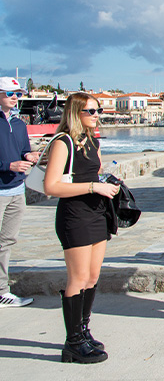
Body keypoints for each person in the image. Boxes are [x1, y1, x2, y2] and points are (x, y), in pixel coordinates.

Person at [44, 93, 120, 363]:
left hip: (96, 212)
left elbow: (92, 174)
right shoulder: (62, 142)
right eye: (90, 111)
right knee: (77, 277)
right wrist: (92, 187)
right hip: (74, 215)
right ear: (76, 113)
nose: (97, 114)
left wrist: (106, 183)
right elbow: (51, 186)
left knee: (92, 276)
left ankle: (83, 330)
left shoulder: (92, 141)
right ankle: (72, 342)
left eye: (98, 110)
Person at [0, 77, 40, 308]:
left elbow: (24, 149)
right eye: (10, 94)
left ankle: (2, 290)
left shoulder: (19, 124)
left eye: (17, 94)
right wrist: (9, 166)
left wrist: (28, 156)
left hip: (17, 188)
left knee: (7, 241)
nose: (15, 98)